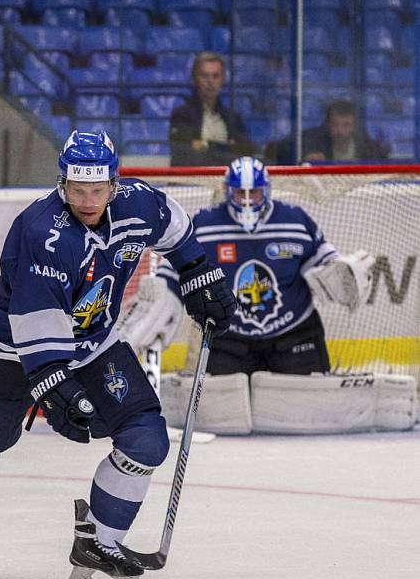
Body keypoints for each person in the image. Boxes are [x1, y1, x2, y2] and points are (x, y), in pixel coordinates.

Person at [0, 130, 236, 579]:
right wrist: (59, 391)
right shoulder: (43, 231)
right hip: (13, 353)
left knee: (146, 437)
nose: (87, 199)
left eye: (97, 190)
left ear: (116, 183)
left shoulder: (140, 202)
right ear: (63, 183)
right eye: (77, 189)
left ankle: (98, 542)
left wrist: (199, 272)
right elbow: (37, 323)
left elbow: (175, 227)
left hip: (94, 347)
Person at [120, 156, 379, 434]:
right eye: (239, 192)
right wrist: (160, 294)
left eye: (252, 192)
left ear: (266, 190)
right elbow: (176, 271)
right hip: (229, 340)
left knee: (307, 412)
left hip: (293, 335)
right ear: (227, 190)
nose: (246, 200)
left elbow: (325, 262)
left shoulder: (295, 221)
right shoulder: (205, 225)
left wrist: (342, 273)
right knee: (222, 413)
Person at [169, 51, 254, 167]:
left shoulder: (232, 117)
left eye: (216, 76)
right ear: (194, 78)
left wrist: (206, 145)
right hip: (190, 182)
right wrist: (227, 148)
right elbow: (184, 153)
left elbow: (246, 150)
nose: (210, 81)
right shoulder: (181, 114)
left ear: (223, 79)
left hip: (224, 180)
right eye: (204, 76)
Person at [267, 98, 390, 164]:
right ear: (327, 124)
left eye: (346, 125)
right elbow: (274, 150)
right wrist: (303, 160)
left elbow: (384, 163)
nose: (340, 131)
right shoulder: (310, 139)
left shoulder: (367, 146)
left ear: (354, 126)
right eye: (335, 124)